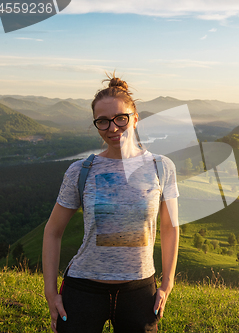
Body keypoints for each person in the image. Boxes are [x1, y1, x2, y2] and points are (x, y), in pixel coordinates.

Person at [43, 74, 179, 333]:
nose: (113, 128)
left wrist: (167, 284)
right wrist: (51, 293)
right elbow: (53, 231)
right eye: (103, 122)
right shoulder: (80, 170)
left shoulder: (161, 167)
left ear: (136, 118)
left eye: (121, 118)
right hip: (83, 289)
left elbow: (170, 227)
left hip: (139, 291)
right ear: (96, 124)